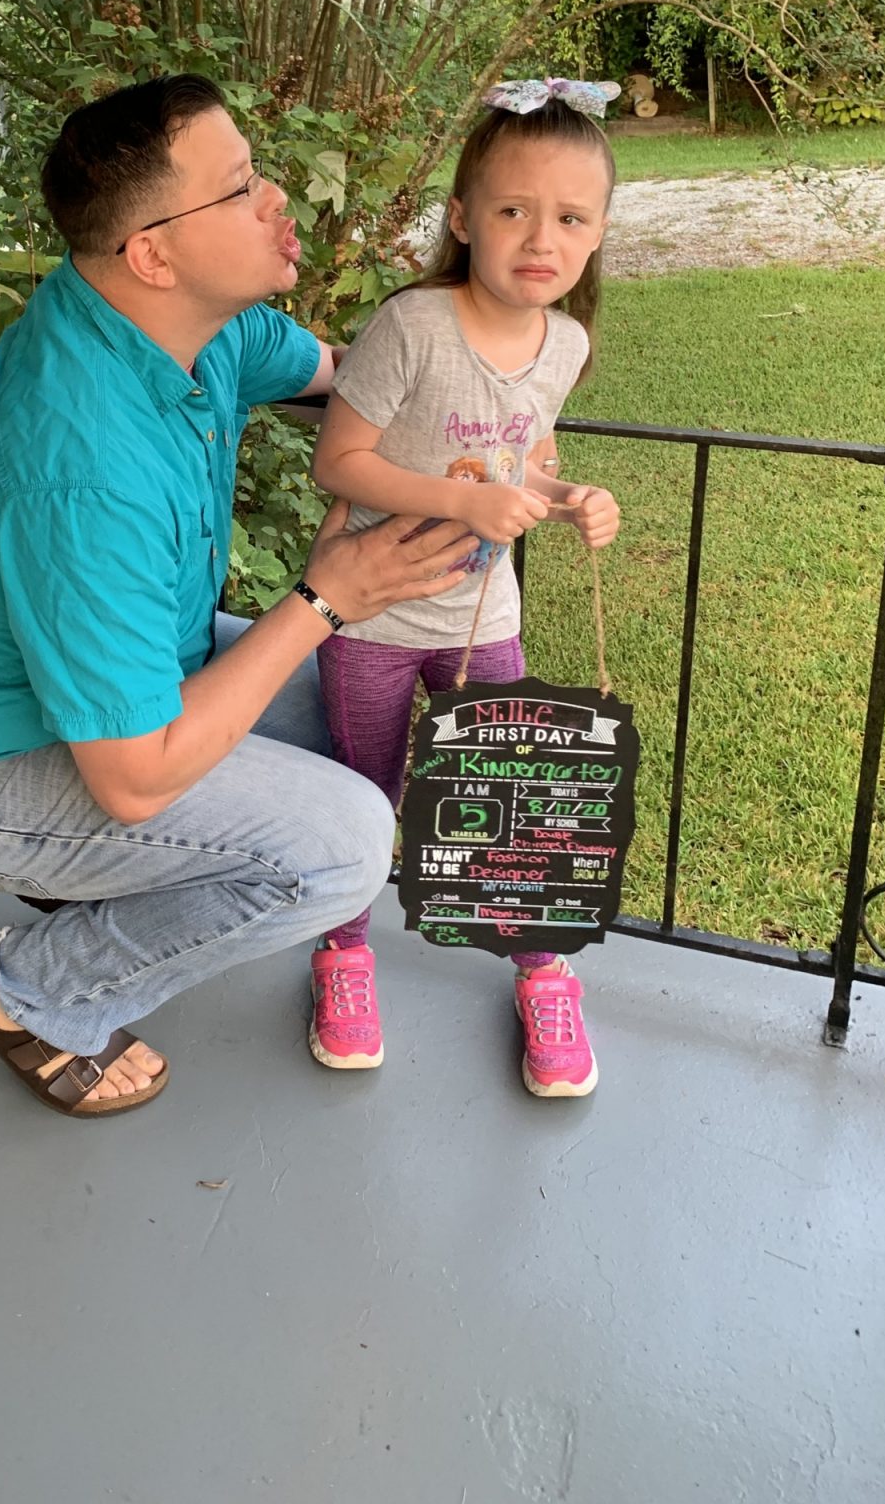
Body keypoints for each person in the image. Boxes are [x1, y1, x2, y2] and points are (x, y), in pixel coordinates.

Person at [0, 73, 477, 1118]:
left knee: (348, 708)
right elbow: (135, 779)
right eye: (240, 187)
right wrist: (324, 597)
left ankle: (91, 882)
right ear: (153, 253)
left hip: (120, 685)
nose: (277, 197)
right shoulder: (80, 465)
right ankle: (28, 991)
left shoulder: (196, 325)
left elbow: (348, 376)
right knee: (345, 847)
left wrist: (487, 403)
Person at [307, 78, 622, 1096]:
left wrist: (571, 497)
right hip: (372, 615)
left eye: (571, 218)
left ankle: (544, 971)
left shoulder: (565, 342)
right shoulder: (415, 325)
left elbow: (531, 458)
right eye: (514, 208)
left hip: (484, 616)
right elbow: (338, 461)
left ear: (597, 233)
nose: (542, 237)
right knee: (367, 793)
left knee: (508, 789)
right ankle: (341, 952)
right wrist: (464, 499)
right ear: (462, 217)